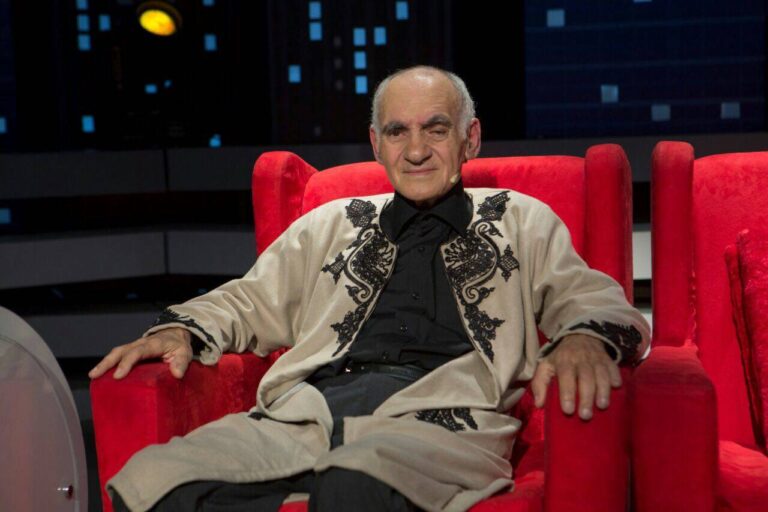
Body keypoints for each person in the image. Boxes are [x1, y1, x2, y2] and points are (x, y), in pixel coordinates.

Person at [90, 66, 650, 512]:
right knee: (154, 481)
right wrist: (180, 329)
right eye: (398, 132)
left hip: (441, 420)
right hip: (310, 413)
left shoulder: (520, 219)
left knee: (353, 482)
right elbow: (249, 299)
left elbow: (589, 297)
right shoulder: (331, 223)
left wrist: (584, 338)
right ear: (376, 144)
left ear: (470, 138)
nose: (416, 150)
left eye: (436, 129)